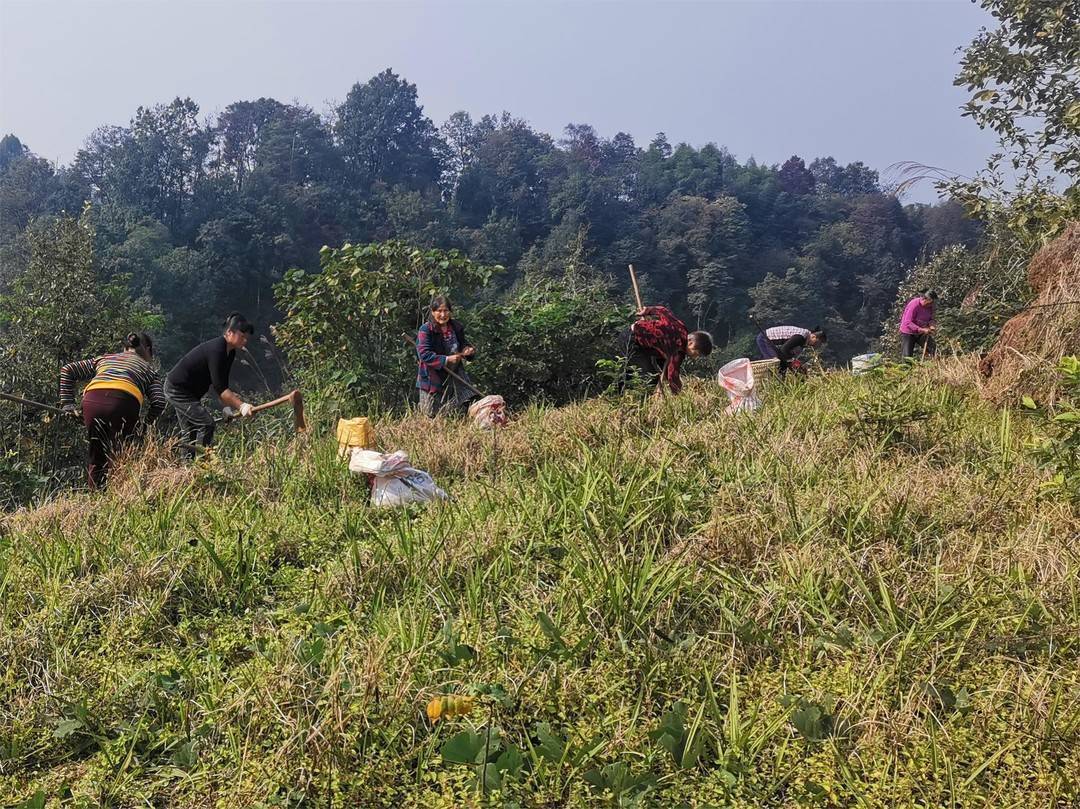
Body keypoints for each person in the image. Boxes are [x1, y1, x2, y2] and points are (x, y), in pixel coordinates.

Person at [59, 331, 167, 489]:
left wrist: (68, 404)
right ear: (148, 350)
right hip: (125, 403)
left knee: (97, 458)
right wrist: (145, 425)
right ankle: (118, 500)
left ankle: (95, 498)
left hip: (92, 400)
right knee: (121, 457)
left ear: (124, 348)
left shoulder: (105, 358)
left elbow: (67, 370)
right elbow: (158, 402)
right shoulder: (150, 371)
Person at [165, 312, 256, 458]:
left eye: (247, 338)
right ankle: (201, 463)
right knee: (206, 424)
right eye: (242, 336)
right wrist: (242, 406)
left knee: (190, 431)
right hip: (177, 389)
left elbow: (221, 384)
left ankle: (187, 469)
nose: (244, 341)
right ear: (229, 332)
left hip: (189, 393)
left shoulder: (229, 353)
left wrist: (227, 409)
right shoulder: (217, 349)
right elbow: (220, 388)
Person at [623, 305, 713, 395]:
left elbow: (663, 311)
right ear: (690, 343)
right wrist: (678, 394)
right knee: (650, 377)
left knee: (659, 363)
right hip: (632, 341)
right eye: (696, 353)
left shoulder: (681, 327)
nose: (695, 357)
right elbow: (673, 376)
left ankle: (621, 393)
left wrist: (648, 310)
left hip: (637, 338)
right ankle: (641, 401)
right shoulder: (678, 350)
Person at [415, 296, 478, 418]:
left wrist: (467, 350)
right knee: (430, 413)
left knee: (463, 404)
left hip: (454, 373)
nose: (443, 315)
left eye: (446, 311)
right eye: (439, 311)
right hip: (432, 376)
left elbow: (463, 343)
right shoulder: (426, 330)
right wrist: (446, 359)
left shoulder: (456, 327)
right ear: (433, 312)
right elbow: (424, 354)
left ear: (450, 311)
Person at [756, 325, 826, 374]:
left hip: (772, 343)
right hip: (765, 338)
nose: (816, 345)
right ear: (813, 336)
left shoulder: (803, 342)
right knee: (773, 363)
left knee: (780, 364)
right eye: (817, 342)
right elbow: (784, 350)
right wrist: (790, 363)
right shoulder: (801, 337)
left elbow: (788, 355)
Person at [899, 290, 937, 359]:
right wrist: (921, 329)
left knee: (933, 349)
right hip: (909, 332)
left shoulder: (930, 306)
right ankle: (907, 369)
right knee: (907, 356)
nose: (930, 305)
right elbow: (907, 322)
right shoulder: (914, 305)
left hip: (922, 331)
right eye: (929, 303)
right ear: (924, 299)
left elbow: (931, 318)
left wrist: (932, 325)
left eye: (932, 303)